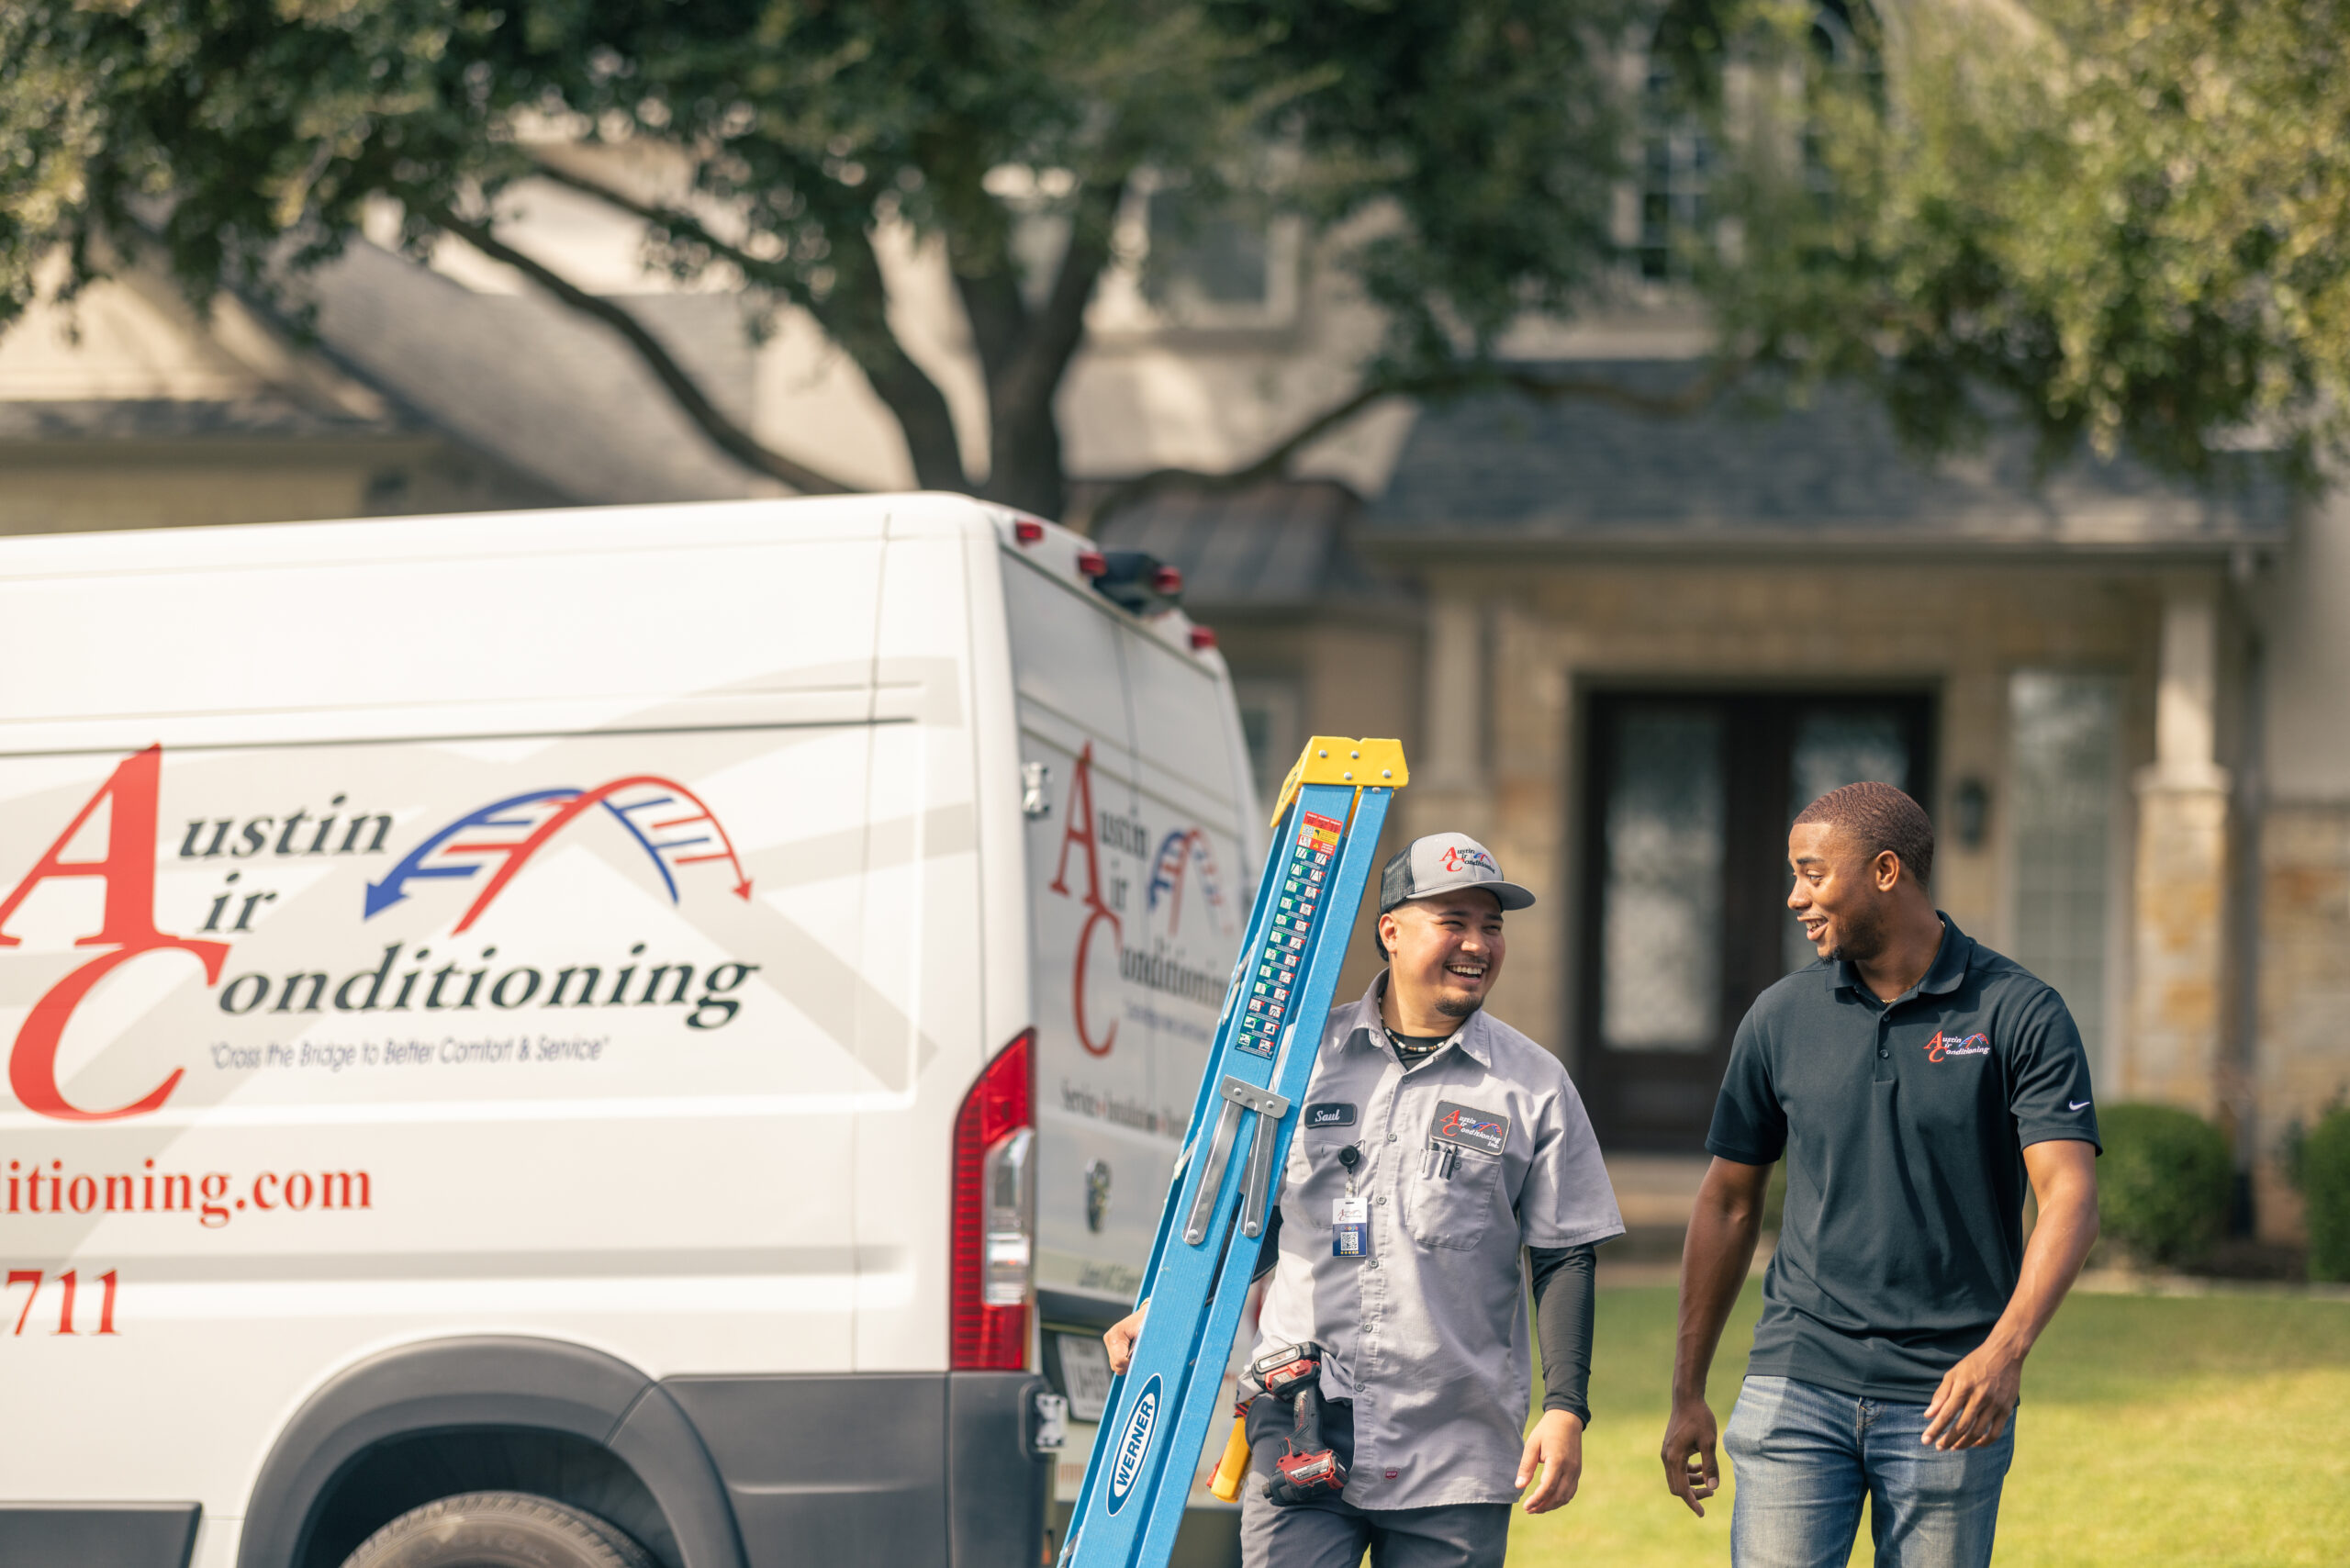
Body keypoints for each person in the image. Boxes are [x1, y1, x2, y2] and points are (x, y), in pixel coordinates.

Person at [1105, 833, 1623, 1568]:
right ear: (1392, 929)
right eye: (1455, 922)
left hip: (1454, 1444)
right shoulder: (1301, 1061)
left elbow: (1565, 1254)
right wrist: (1170, 1306)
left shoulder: (1534, 1086)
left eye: (1492, 926)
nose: (1477, 944)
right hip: (1302, 1420)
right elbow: (1254, 1219)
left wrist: (1566, 1407)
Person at [1661, 782, 2101, 1568]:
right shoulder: (1779, 1016)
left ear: (1887, 871)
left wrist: (2004, 1354)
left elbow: (2068, 1197)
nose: (1795, 897)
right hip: (1795, 1381)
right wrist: (1687, 1390)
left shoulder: (2020, 1013)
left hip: (1950, 1399)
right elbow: (1728, 1203)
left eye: (1813, 874)